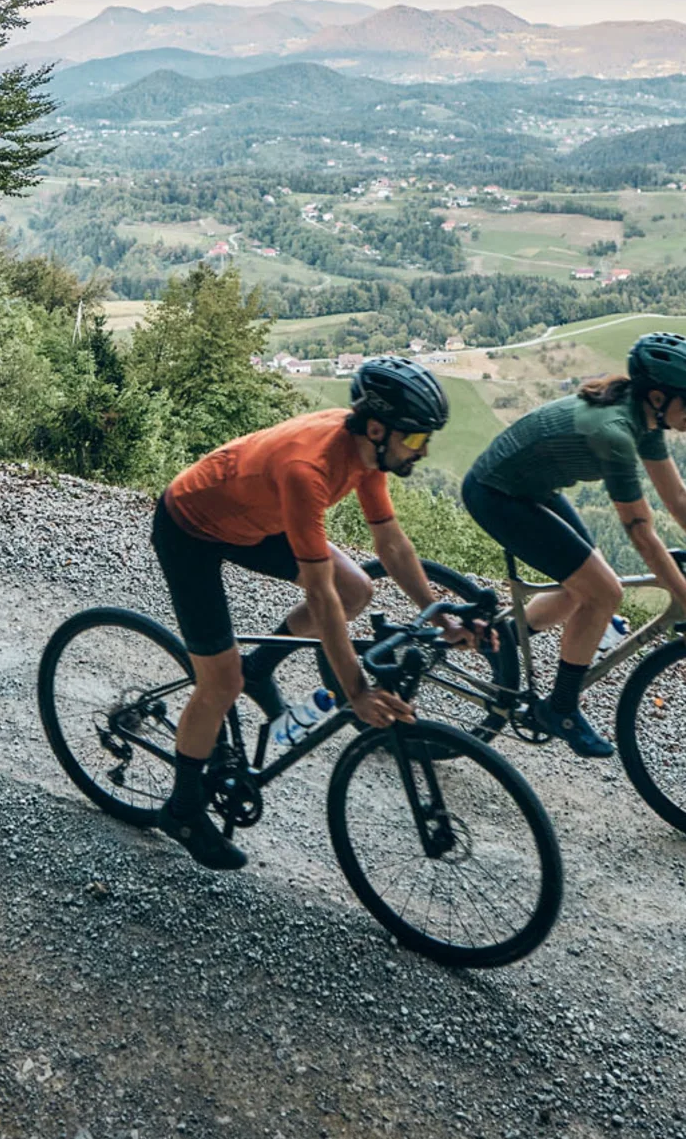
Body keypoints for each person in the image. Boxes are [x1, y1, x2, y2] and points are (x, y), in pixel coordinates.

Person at [149, 356, 458, 870]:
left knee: (357, 588)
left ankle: (258, 669)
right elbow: (319, 597)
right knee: (218, 685)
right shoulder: (308, 468)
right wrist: (356, 691)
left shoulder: (365, 453)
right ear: (378, 428)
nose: (421, 452)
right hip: (192, 528)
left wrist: (440, 616)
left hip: (255, 519)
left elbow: (392, 545)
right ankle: (181, 810)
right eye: (417, 440)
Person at [460, 331, 686, 760]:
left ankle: (499, 639)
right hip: (495, 493)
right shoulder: (614, 433)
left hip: (532, 490)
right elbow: (642, 534)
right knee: (604, 591)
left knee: (584, 588)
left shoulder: (644, 418)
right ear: (659, 397)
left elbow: (676, 496)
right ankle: (562, 709)